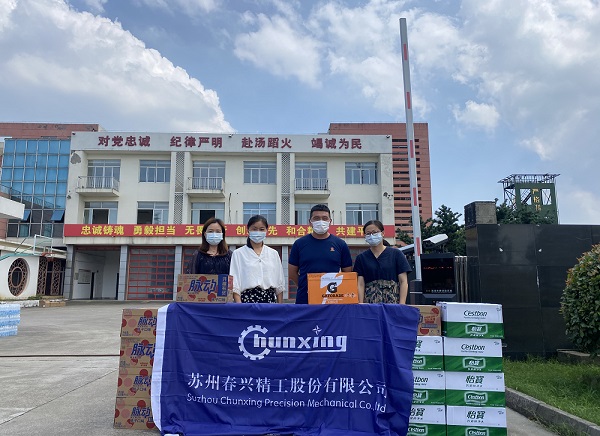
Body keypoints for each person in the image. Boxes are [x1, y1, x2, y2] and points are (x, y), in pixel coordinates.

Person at [288, 204, 353, 304]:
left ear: (330, 221)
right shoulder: (299, 244)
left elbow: (347, 273)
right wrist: (307, 285)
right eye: (316, 218)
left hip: (332, 298)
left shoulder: (340, 244)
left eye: (325, 218)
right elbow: (292, 273)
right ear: (310, 222)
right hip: (305, 299)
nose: (321, 221)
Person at [353, 220, 412, 304]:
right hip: (370, 302)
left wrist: (401, 304)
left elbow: (403, 281)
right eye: (368, 233)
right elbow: (360, 284)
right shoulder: (361, 258)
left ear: (383, 233)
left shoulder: (396, 254)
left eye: (374, 232)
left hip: (392, 301)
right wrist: (361, 304)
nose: (371, 236)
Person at [229, 215, 285, 303]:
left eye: (262, 229)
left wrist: (280, 305)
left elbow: (279, 281)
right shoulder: (238, 253)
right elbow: (235, 282)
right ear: (248, 230)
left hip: (269, 300)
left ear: (267, 230)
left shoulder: (273, 253)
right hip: (247, 301)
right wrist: (239, 305)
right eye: (254, 229)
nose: (258, 232)